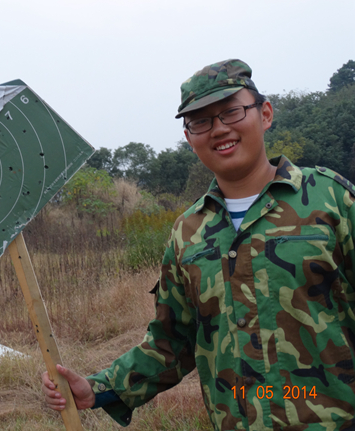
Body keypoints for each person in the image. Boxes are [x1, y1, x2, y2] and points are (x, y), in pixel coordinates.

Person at [42, 59, 355, 430]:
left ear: (265, 113)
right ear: (190, 138)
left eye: (231, 112)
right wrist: (98, 388)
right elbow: (172, 343)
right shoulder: (187, 233)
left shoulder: (330, 198)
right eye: (200, 122)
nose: (219, 129)